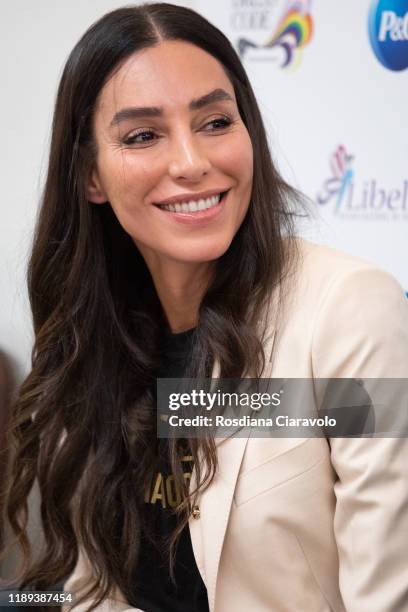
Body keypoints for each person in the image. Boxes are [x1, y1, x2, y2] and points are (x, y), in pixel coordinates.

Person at [1, 3, 408, 612]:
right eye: (143, 135)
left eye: (216, 122)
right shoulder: (94, 335)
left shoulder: (347, 311)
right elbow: (92, 589)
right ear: (90, 174)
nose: (192, 163)